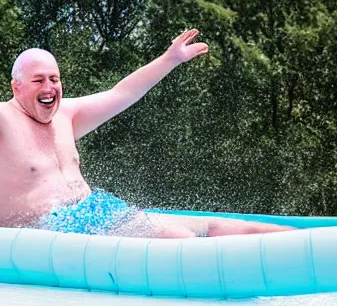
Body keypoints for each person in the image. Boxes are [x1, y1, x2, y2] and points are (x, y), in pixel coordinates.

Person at [0, 29, 293, 238]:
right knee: (176, 238)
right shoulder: (5, 118)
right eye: (39, 80)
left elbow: (122, 93)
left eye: (55, 79)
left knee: (214, 228)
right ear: (17, 87)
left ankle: (301, 241)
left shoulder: (66, 114)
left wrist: (171, 59)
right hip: (46, 232)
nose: (49, 88)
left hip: (96, 211)